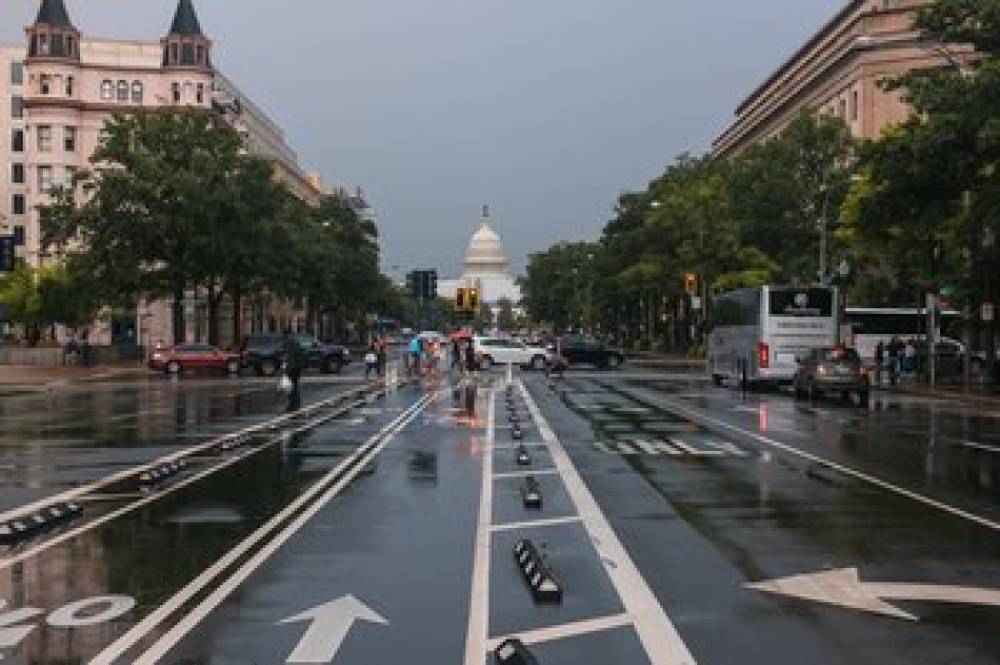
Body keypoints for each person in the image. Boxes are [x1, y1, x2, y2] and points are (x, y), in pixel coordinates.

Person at [282, 333, 305, 412]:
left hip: (292, 368)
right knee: (294, 386)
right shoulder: (295, 343)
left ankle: (292, 404)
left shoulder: (289, 345)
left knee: (290, 387)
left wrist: (287, 369)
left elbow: (290, 358)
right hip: (297, 368)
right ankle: (296, 403)